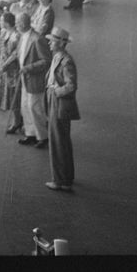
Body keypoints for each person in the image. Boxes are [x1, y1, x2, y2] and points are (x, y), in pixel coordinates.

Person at [3, 12, 50, 150]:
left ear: (24, 23)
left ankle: (42, 137)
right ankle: (30, 134)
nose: (16, 25)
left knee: (35, 108)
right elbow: (18, 54)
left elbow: (46, 61)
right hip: (24, 79)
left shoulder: (37, 39)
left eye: (17, 23)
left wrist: (29, 68)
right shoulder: (22, 37)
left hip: (34, 79)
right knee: (25, 107)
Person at [45, 25, 80, 192]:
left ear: (60, 43)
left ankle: (59, 180)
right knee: (62, 141)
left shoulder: (66, 61)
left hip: (60, 104)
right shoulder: (57, 56)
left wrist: (55, 91)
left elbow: (71, 85)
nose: (49, 44)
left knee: (58, 142)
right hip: (56, 102)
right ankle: (66, 178)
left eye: (52, 41)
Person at [0, 12, 19, 112]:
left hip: (11, 68)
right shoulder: (3, 32)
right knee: (2, 88)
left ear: (7, 23)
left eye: (1, 20)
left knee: (12, 92)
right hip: (1, 65)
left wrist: (5, 65)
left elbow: (15, 54)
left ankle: (16, 119)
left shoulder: (16, 36)